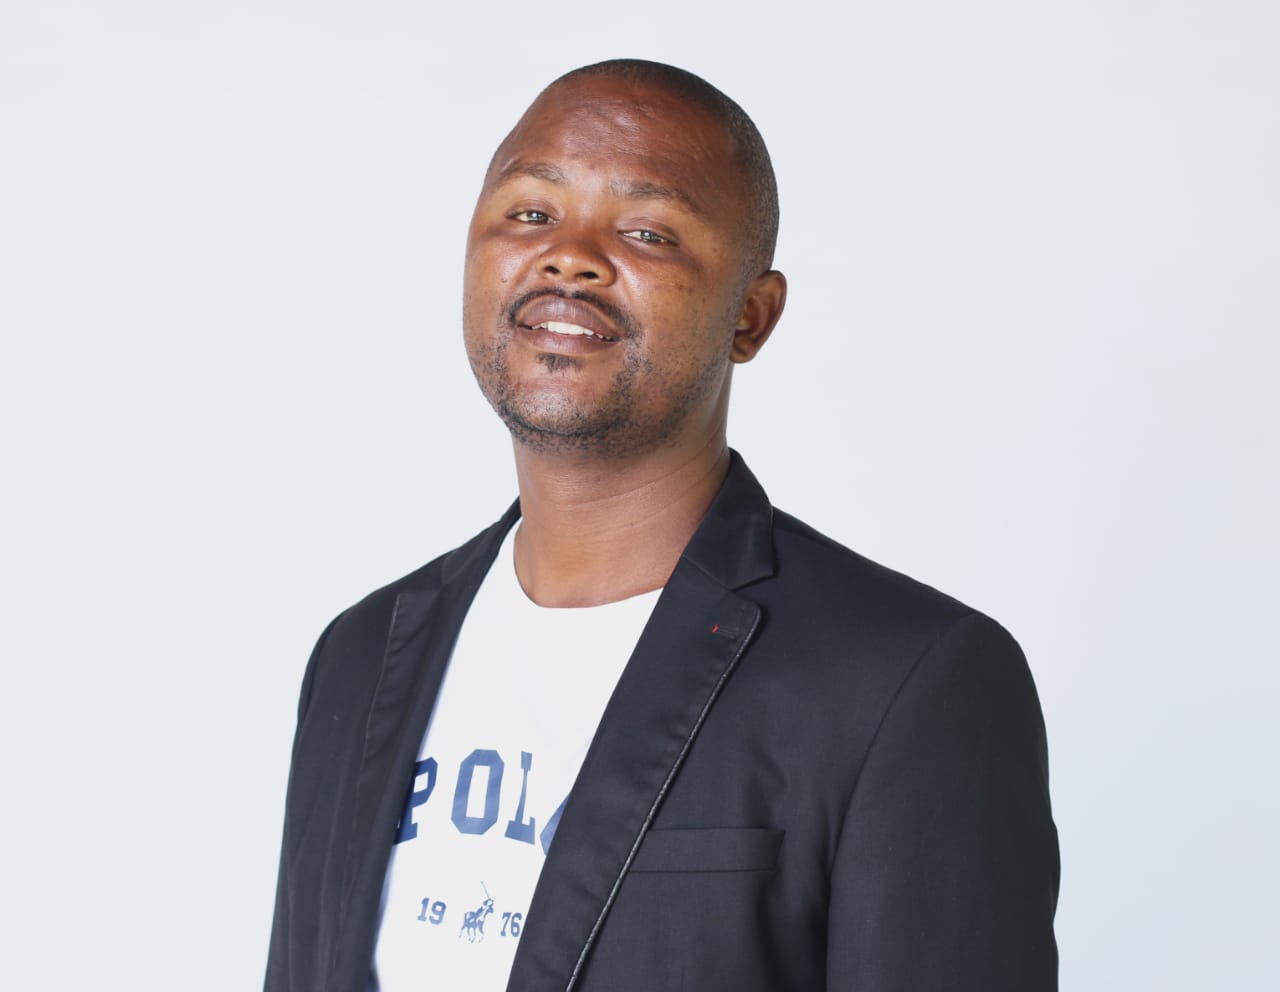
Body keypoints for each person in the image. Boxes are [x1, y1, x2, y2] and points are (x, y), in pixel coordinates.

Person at [264, 59, 1059, 992]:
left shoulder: (905, 682)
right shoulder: (360, 656)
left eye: (647, 232)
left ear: (751, 317)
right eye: (531, 212)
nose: (569, 256)